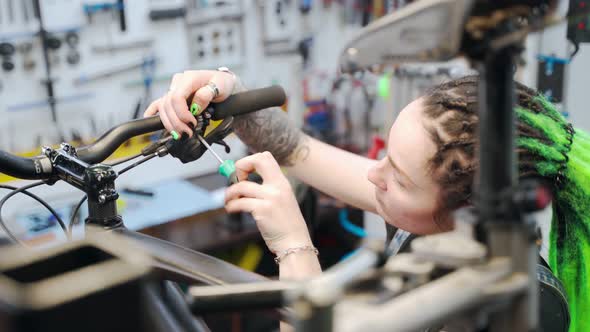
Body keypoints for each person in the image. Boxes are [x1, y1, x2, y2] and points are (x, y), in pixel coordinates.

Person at [145, 71, 590, 332]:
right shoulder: (437, 226)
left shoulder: (519, 305)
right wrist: (231, 93)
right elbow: (297, 151)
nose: (372, 175)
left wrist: (293, 248)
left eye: (397, 175)